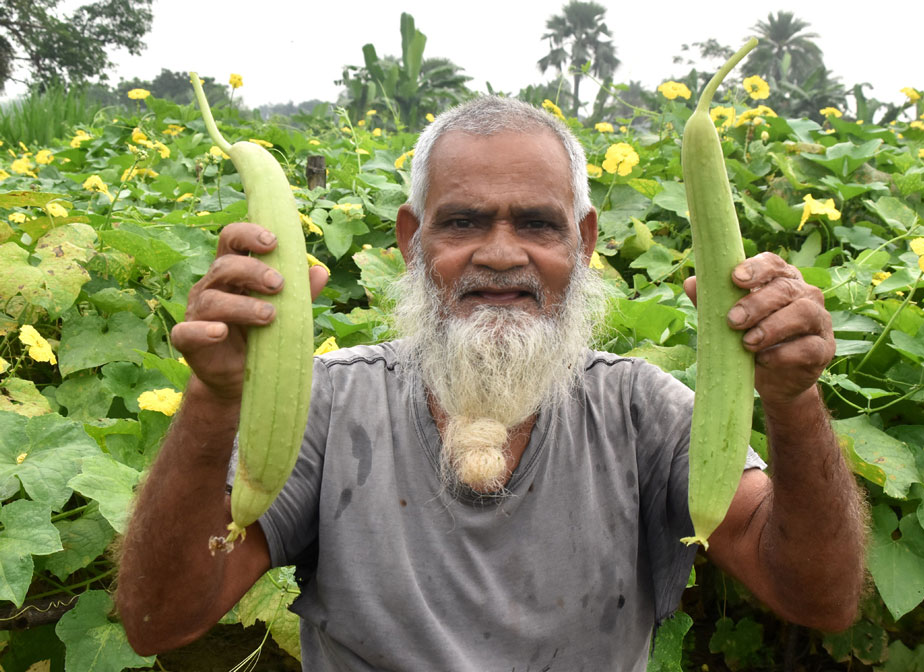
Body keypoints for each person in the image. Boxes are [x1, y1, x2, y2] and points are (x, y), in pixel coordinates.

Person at [116, 96, 865, 670]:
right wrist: (214, 401)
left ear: (586, 243)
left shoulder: (643, 412)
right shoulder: (329, 404)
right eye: (465, 222)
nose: (501, 255)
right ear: (413, 241)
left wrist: (794, 402)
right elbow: (160, 621)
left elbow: (819, 598)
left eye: (539, 225)